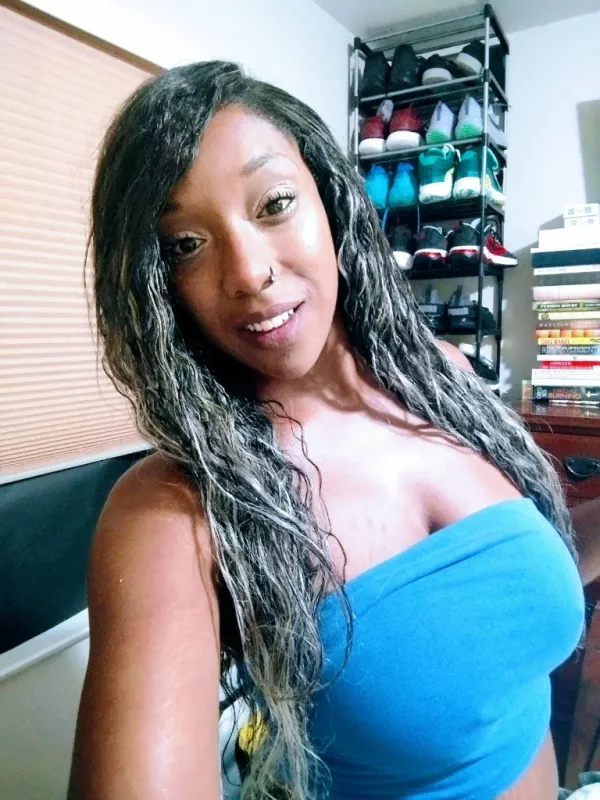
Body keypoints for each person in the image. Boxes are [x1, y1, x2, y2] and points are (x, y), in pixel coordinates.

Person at [69, 60, 592, 800]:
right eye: (186, 244)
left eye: (274, 203)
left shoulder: (440, 376)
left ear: (330, 200)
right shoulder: (174, 511)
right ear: (158, 283)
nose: (248, 272)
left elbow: (513, 577)